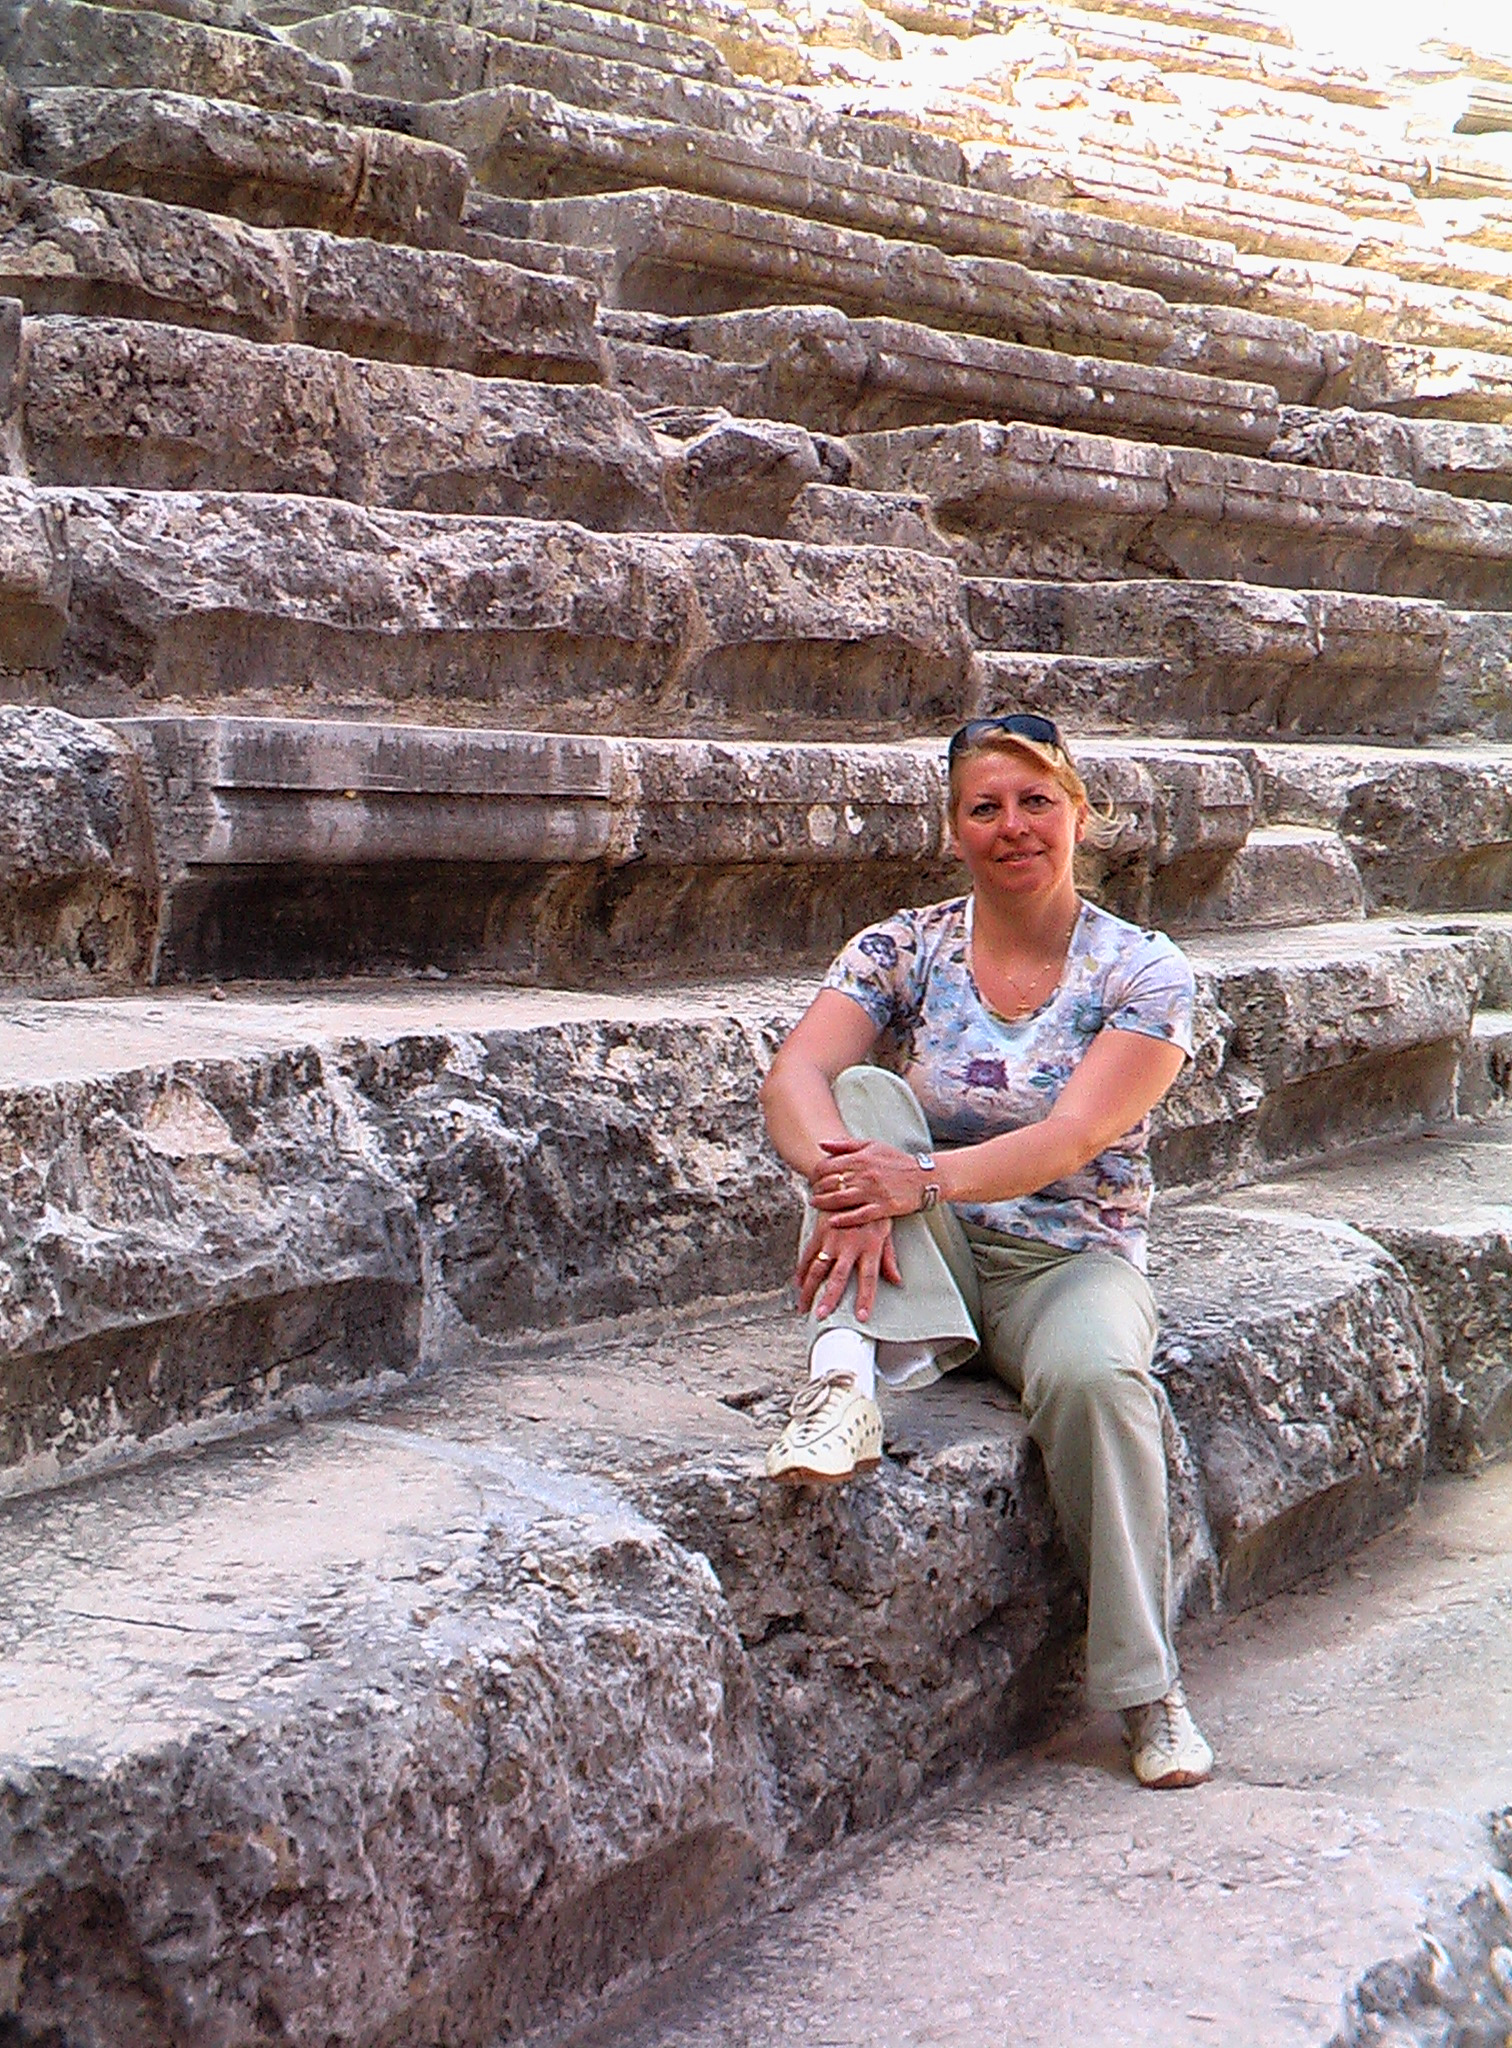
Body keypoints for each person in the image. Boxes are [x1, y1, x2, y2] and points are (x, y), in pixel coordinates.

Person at [758, 711, 1213, 1791]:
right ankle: (843, 1384)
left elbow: (1074, 1137)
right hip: (930, 1252)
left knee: (1101, 1382)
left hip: (1070, 1259)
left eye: (1036, 801)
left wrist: (914, 1178)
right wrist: (853, 1176)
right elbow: (795, 1077)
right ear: (955, 830)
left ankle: (1147, 1689)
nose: (1013, 825)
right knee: (860, 1096)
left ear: (1079, 816)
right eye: (985, 807)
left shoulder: (1142, 968)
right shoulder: (904, 946)